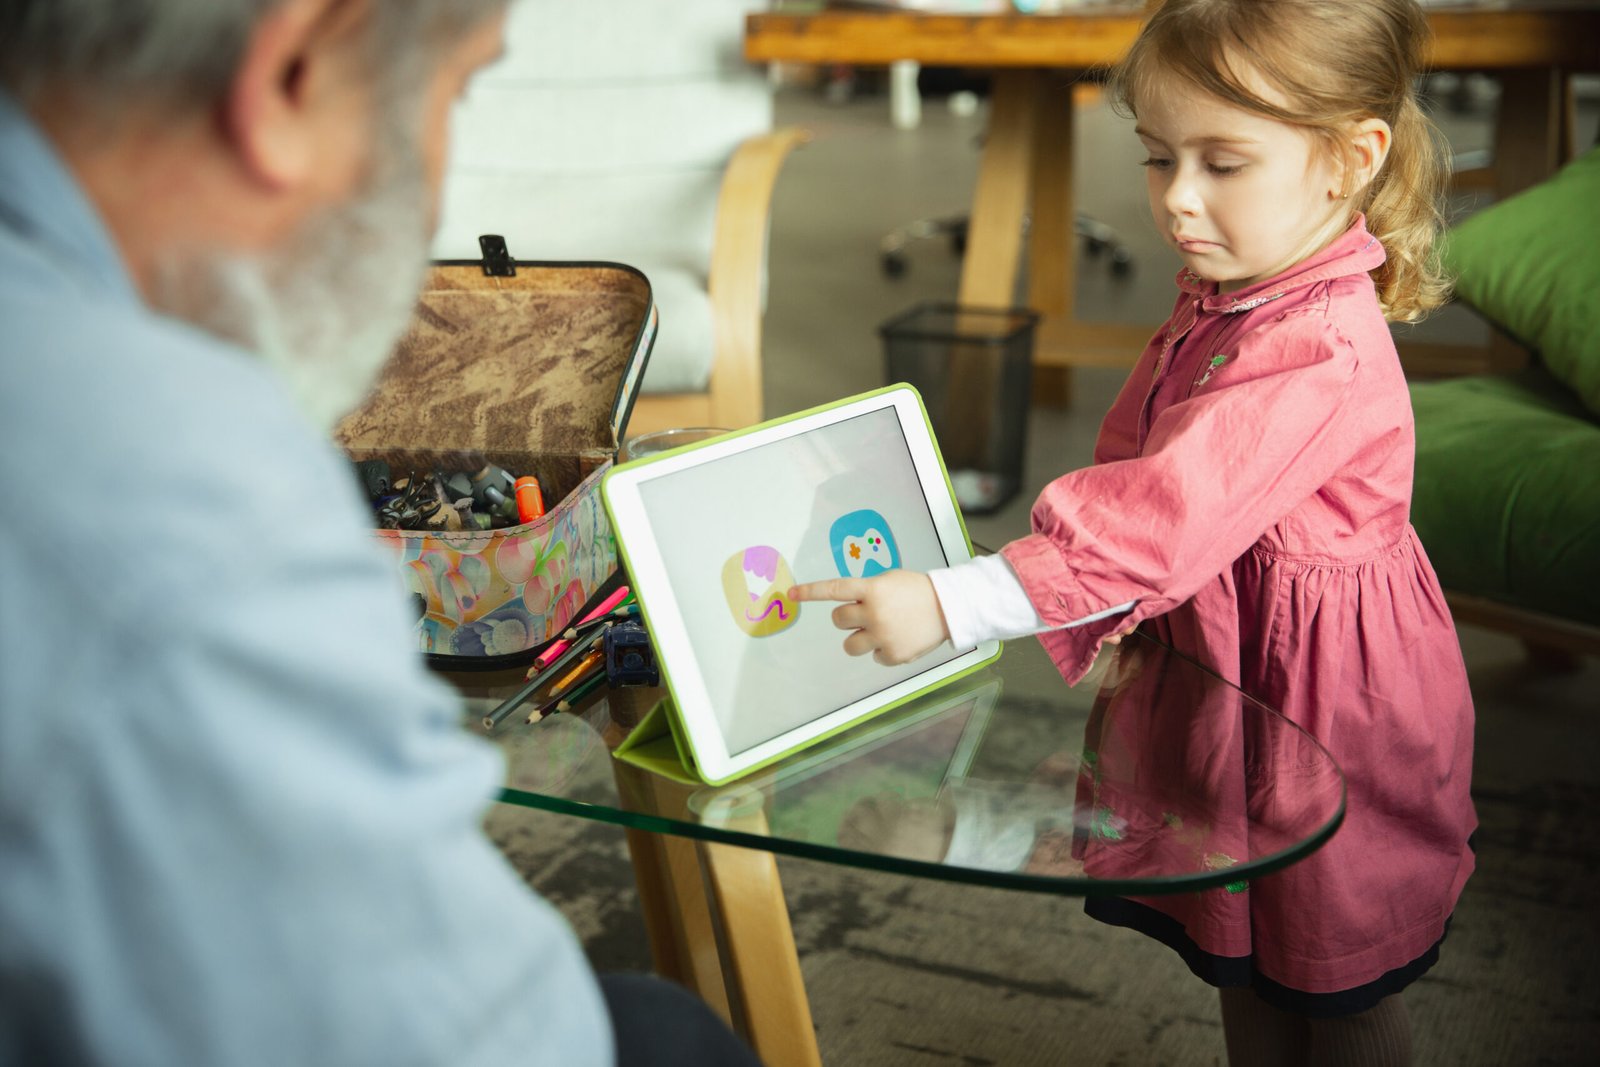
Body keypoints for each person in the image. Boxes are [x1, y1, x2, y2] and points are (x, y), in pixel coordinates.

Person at [0, 2, 759, 1064]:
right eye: (454, 89)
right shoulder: (173, 484)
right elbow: (490, 1033)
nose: (437, 185)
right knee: (672, 1031)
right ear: (293, 72)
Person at [792, 0, 1476, 1063]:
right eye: (1158, 158)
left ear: (1350, 159)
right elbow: (1135, 450)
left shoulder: (1316, 347)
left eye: (1222, 163)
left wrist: (957, 600)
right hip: (1233, 670)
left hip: (1323, 698)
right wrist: (1116, 611)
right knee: (1239, 942)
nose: (1177, 200)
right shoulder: (1227, 291)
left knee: (1336, 981)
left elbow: (1162, 512)